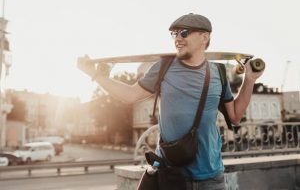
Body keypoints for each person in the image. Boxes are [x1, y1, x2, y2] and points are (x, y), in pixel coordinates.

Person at [78, 13, 264, 190]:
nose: (177, 38)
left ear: (204, 37)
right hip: (171, 175)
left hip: (211, 177)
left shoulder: (219, 73)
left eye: (184, 33)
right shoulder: (164, 67)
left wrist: (249, 80)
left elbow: (235, 116)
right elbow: (129, 95)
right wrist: (94, 75)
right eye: (174, 34)